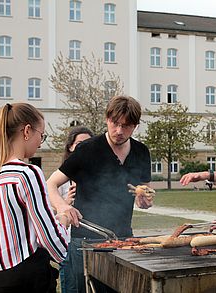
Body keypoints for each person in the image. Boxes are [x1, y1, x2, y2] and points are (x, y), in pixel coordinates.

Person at [47, 95, 152, 293]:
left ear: (135, 126)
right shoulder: (87, 149)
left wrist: (144, 199)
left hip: (123, 239)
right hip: (85, 241)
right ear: (107, 119)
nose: (119, 131)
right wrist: (62, 206)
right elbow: (51, 183)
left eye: (127, 126)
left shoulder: (141, 152)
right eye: (115, 123)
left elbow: (144, 191)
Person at [0, 103, 70, 293]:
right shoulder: (27, 173)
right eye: (41, 135)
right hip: (26, 279)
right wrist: (64, 218)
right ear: (27, 131)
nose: (40, 142)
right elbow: (50, 241)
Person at [56, 126, 93, 293]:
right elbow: (51, 214)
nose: (84, 148)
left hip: (91, 243)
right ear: (70, 147)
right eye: (79, 144)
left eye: (88, 144)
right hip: (68, 244)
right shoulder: (61, 178)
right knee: (72, 288)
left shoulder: (95, 175)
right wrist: (66, 202)